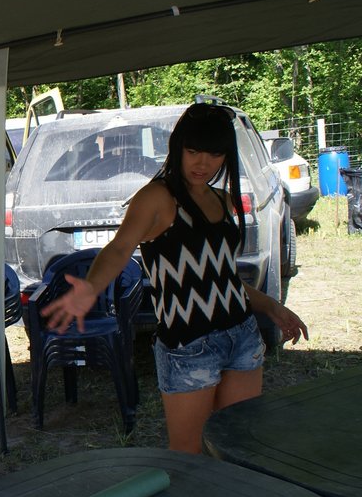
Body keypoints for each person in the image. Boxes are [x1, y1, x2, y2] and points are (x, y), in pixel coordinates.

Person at [42, 102, 308, 454]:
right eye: (193, 151)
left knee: (238, 448)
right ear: (178, 147)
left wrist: (272, 307)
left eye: (214, 154)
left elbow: (223, 280)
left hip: (242, 336)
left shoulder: (222, 199)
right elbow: (119, 249)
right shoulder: (158, 197)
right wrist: (92, 286)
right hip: (190, 346)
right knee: (189, 457)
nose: (203, 163)